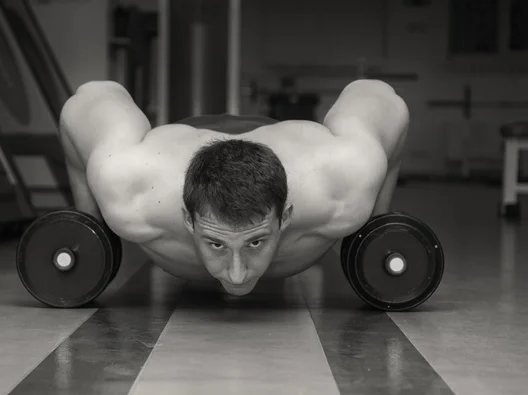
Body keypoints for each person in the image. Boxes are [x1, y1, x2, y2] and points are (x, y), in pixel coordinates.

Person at [59, 79, 408, 296]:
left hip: (290, 142)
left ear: (286, 216)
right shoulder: (129, 186)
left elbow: (380, 97)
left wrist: (378, 226)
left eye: (256, 241)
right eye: (216, 243)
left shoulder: (342, 183)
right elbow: (88, 99)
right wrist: (89, 224)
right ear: (187, 219)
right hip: (177, 144)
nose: (237, 273)